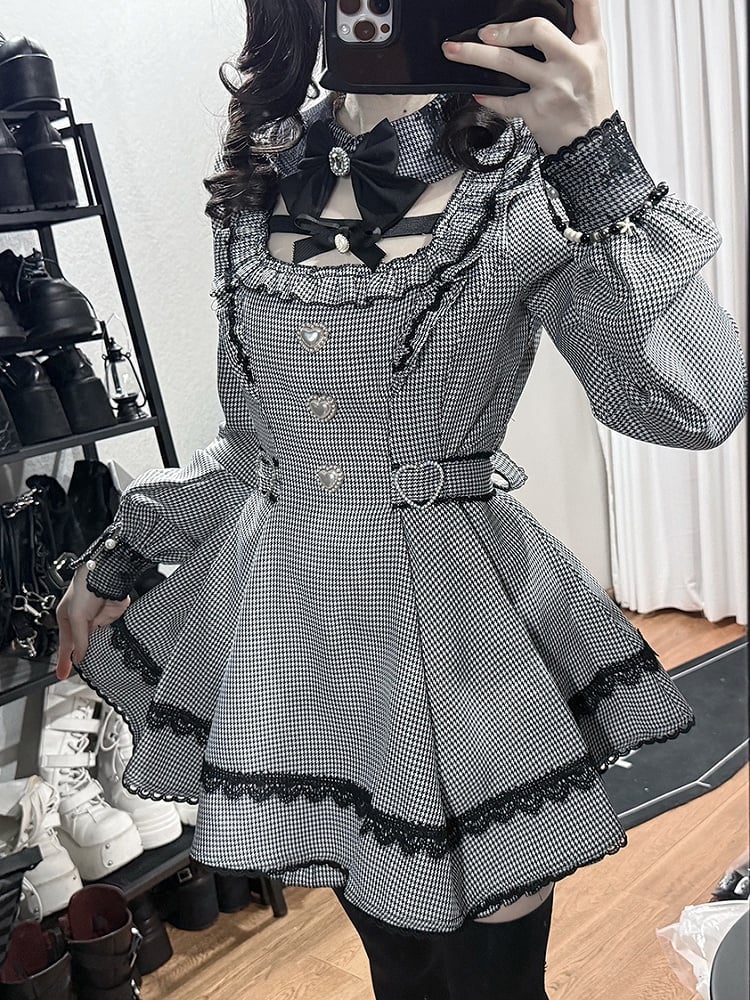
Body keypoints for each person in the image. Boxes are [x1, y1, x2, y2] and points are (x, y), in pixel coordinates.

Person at [55, 1, 747, 997]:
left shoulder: (526, 174)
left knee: (491, 977)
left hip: (459, 644)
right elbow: (257, 448)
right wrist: (122, 554)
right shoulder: (261, 173)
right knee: (399, 965)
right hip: (298, 642)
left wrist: (597, 160)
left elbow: (697, 403)